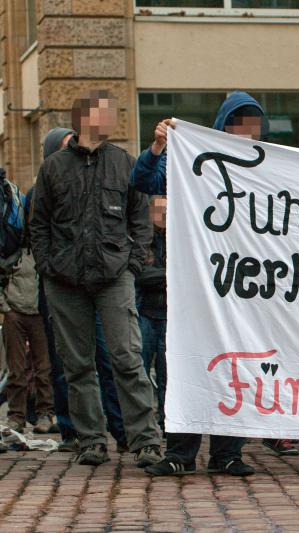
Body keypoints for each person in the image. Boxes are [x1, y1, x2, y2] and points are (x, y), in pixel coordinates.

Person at [130, 91, 273, 476]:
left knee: (236, 368)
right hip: (195, 285)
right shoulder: (193, 160)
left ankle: (227, 453)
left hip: (241, 286)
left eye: (252, 125)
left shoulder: (267, 167)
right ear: (223, 126)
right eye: (238, 124)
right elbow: (143, 180)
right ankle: (180, 453)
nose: (246, 132)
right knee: (189, 366)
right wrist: (157, 148)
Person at [29, 90, 163, 467]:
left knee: (127, 358)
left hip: (114, 276)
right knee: (77, 365)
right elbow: (38, 223)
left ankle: (145, 440)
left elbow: (140, 220)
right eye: (105, 112)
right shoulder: (54, 167)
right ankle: (91, 440)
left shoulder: (123, 162)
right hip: (64, 280)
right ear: (84, 117)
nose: (112, 118)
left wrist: (131, 265)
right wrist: (47, 265)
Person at [0, 171, 56, 435]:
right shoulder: (13, 250)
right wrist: (6, 307)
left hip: (40, 313)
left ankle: (45, 413)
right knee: (16, 370)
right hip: (15, 313)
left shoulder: (46, 252)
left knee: (44, 368)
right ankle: (17, 416)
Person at [136, 196, 168, 431]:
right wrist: (166, 275)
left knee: (168, 374)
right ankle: (143, 422)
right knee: (141, 372)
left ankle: (167, 419)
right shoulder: (143, 240)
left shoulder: (179, 238)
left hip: (169, 316)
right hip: (145, 313)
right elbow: (140, 275)